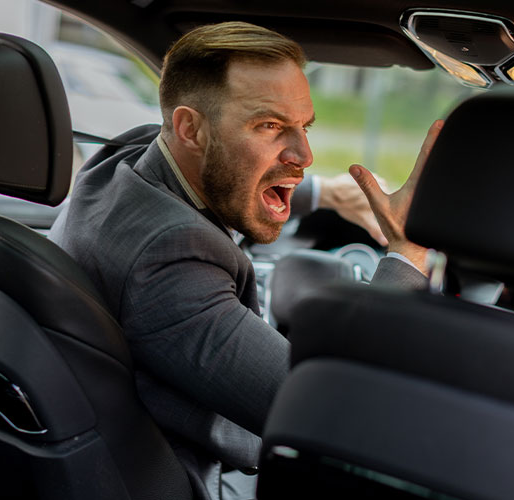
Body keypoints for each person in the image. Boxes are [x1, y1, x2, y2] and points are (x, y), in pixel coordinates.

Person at [49, 21, 440, 500]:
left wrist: (325, 195)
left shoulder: (126, 160)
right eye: (269, 126)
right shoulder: (168, 260)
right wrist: (406, 251)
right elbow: (327, 405)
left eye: (304, 127)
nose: (305, 154)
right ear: (190, 127)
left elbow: (216, 174)